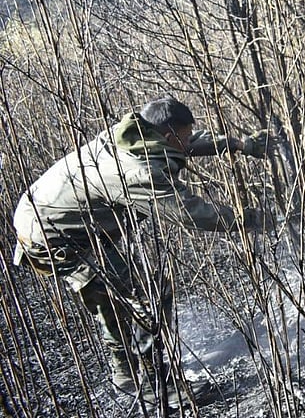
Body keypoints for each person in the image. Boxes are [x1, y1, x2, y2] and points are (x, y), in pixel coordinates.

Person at [11, 96, 271, 411]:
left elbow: (182, 145)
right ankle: (153, 383)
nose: (189, 140)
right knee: (143, 296)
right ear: (166, 134)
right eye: (185, 134)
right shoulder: (137, 169)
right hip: (52, 236)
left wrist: (239, 144)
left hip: (60, 221)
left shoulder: (135, 135)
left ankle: (129, 373)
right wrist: (249, 219)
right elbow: (189, 213)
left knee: (125, 293)